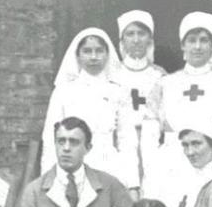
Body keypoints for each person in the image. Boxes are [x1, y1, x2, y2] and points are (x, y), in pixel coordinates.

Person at [141, 11, 212, 195]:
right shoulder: (165, 83)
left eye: (204, 40)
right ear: (183, 46)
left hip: (211, 166)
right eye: (191, 40)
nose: (198, 46)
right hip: (170, 166)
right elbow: (149, 130)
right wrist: (152, 164)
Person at [40, 28, 138, 191]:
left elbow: (127, 139)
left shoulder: (118, 91)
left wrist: (133, 184)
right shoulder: (64, 91)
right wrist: (48, 179)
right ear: (77, 56)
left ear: (107, 54)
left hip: (109, 164)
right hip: (71, 162)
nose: (93, 57)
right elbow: (50, 137)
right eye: (87, 51)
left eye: (99, 51)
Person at [112, 10, 166, 191]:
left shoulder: (160, 75)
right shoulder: (112, 75)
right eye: (130, 34)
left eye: (141, 34)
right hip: (119, 145)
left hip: (153, 145)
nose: (136, 40)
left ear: (149, 39)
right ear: (122, 40)